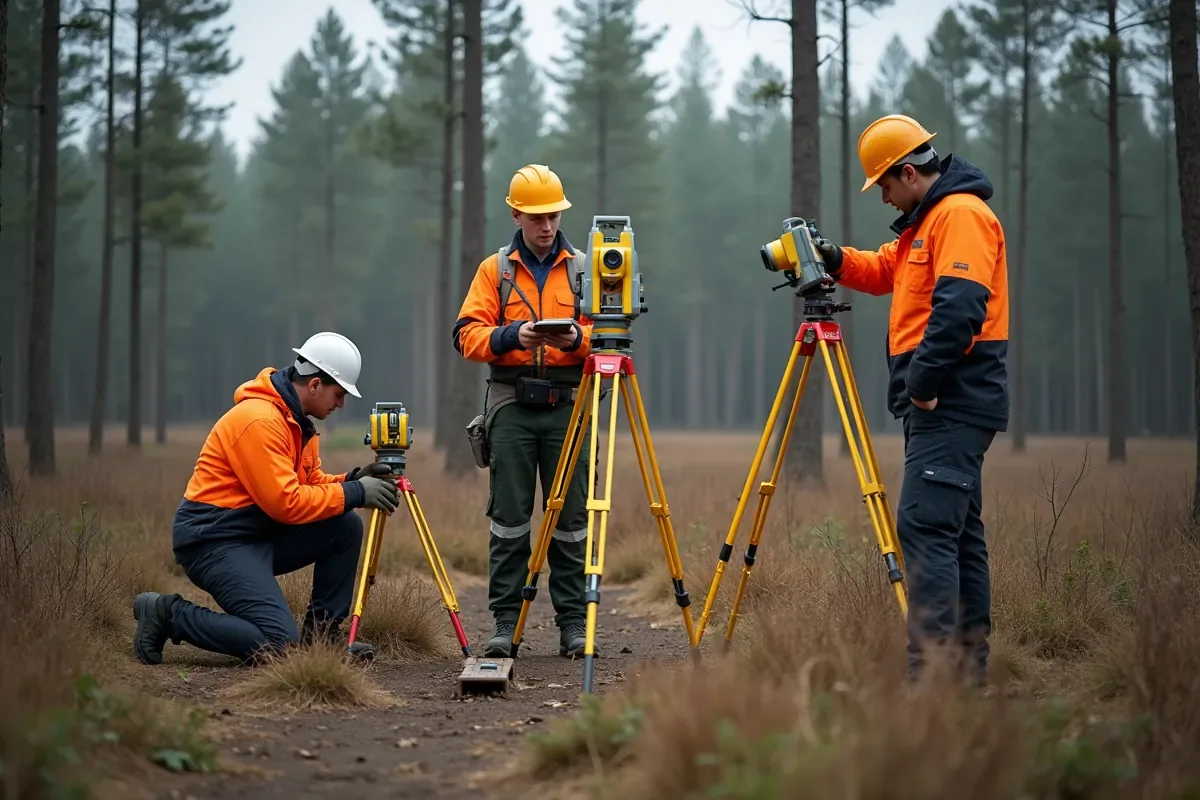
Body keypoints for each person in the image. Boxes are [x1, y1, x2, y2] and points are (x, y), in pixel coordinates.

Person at [811, 114, 1010, 685]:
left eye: (885, 187)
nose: (884, 199)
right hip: (947, 403)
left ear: (907, 172)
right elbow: (884, 271)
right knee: (957, 532)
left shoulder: (960, 216)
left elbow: (960, 308)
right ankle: (965, 676)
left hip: (953, 400)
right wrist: (832, 258)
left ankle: (933, 680)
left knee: (924, 527)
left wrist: (921, 385)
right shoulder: (925, 223)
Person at [132, 332, 402, 666]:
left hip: (257, 532)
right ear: (315, 384)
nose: (341, 404)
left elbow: (310, 484)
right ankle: (168, 614)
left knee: (344, 525)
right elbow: (285, 503)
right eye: (339, 393)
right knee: (276, 643)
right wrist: (357, 493)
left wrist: (350, 481)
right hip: (214, 541)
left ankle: (322, 642)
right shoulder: (259, 420)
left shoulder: (297, 422)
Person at [452, 164, 593, 659]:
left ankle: (573, 624)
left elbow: (610, 336)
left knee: (571, 519)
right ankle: (505, 623)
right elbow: (466, 335)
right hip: (510, 403)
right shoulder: (495, 270)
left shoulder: (584, 267)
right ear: (516, 214)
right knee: (509, 519)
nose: (547, 225)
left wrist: (578, 339)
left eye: (553, 215)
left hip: (569, 404)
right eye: (536, 216)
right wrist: (514, 336)